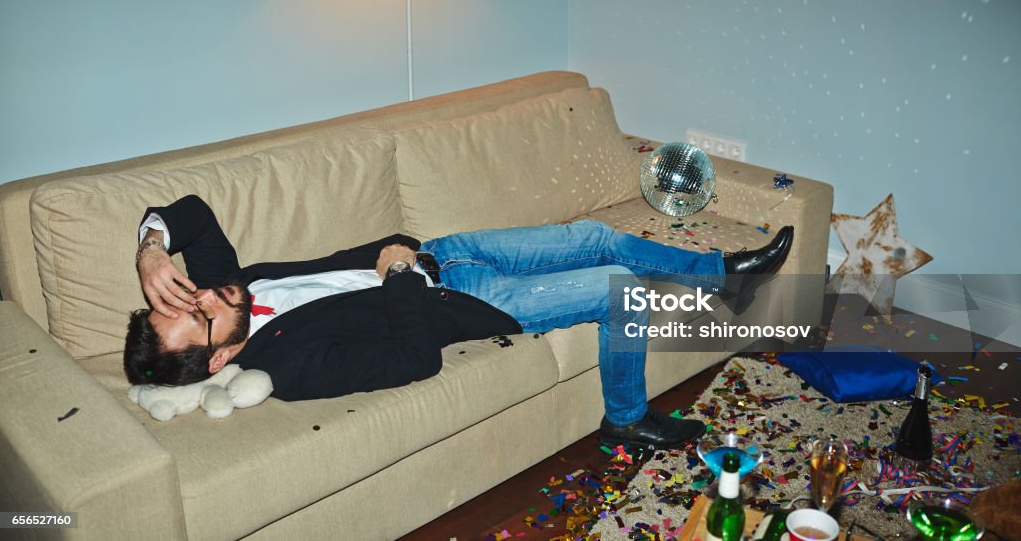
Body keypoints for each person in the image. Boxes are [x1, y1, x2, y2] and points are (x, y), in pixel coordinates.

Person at [125, 195, 792, 450]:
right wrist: (397, 276)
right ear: (216, 362)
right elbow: (417, 358)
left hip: (447, 247)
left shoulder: (235, 287)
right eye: (200, 318)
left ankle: (721, 274)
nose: (207, 297)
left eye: (188, 299)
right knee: (621, 290)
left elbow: (194, 213)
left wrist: (152, 247)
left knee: (595, 233)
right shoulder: (290, 366)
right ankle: (625, 417)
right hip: (465, 299)